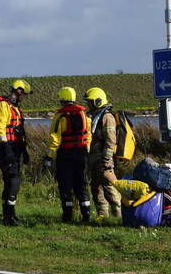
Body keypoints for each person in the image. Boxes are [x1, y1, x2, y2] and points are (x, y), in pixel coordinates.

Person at [42, 87, 92, 223]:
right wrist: (86, 152)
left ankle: (67, 216)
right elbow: (88, 136)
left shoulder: (60, 116)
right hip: (82, 154)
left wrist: (49, 157)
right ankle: (86, 215)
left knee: (65, 185)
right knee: (81, 184)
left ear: (62, 99)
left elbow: (55, 139)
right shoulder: (84, 115)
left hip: (65, 155)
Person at [0, 79, 32, 226]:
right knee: (13, 180)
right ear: (19, 92)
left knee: (10, 181)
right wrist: (5, 148)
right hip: (6, 148)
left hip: (15, 147)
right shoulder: (3, 106)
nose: (25, 97)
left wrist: (25, 150)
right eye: (25, 94)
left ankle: (10, 215)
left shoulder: (15, 107)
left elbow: (19, 131)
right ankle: (8, 216)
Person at [84, 87, 121, 220]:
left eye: (90, 102)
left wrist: (106, 158)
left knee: (109, 187)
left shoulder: (107, 117)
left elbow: (111, 141)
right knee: (96, 188)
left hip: (104, 159)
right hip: (95, 158)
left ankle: (118, 216)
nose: (88, 104)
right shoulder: (96, 117)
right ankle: (103, 216)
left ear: (98, 101)